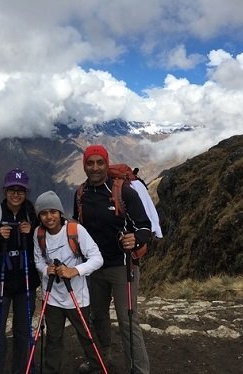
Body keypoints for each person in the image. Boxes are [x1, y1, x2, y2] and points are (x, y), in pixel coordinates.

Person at [73, 145, 152, 374]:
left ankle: (138, 370)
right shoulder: (80, 194)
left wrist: (135, 239)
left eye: (100, 162)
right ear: (85, 166)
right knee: (97, 316)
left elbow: (145, 225)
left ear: (107, 164)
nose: (95, 167)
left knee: (128, 320)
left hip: (122, 266)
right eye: (90, 163)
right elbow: (77, 228)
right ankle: (99, 360)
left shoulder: (123, 191)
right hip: (93, 267)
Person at [0, 168, 40, 374]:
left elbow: (40, 251)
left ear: (26, 192)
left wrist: (30, 236)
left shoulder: (32, 217)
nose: (16, 194)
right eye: (12, 189)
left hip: (26, 284)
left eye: (20, 190)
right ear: (4, 190)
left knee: (23, 334)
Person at [33, 190, 104, 373]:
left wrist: (74, 271)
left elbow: (97, 258)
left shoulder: (75, 230)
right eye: (44, 213)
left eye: (53, 211)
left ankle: (97, 367)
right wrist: (46, 270)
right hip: (52, 298)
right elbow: (38, 260)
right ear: (39, 216)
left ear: (60, 212)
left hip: (77, 297)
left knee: (86, 336)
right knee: (53, 339)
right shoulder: (39, 234)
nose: (49, 217)